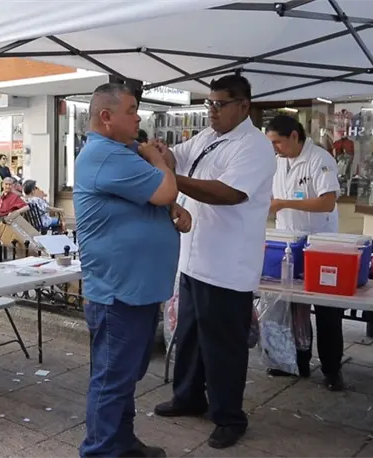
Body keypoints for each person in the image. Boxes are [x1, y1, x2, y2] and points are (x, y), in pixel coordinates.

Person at [153, 75, 276, 450]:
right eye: (209, 104)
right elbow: (179, 155)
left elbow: (228, 193)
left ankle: (229, 416)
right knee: (188, 336)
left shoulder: (254, 147)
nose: (212, 112)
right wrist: (161, 155)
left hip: (227, 265)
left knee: (223, 347)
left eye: (220, 105)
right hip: (194, 258)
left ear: (243, 105)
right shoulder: (209, 137)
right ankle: (189, 396)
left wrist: (173, 179)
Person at [74, 83, 186, 458]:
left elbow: (153, 199)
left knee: (124, 376)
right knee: (112, 378)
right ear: (106, 117)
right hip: (118, 290)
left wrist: (170, 210)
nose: (139, 117)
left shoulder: (121, 153)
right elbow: (164, 188)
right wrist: (159, 164)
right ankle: (100, 450)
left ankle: (121, 442)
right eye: (132, 110)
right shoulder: (107, 155)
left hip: (135, 287)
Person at [267, 115, 344, 390]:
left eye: (278, 142)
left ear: (294, 137)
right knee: (292, 308)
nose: (275, 147)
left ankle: (332, 370)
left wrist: (284, 203)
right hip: (287, 243)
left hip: (319, 245)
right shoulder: (278, 162)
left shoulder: (319, 159)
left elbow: (327, 203)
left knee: (326, 311)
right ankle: (297, 362)